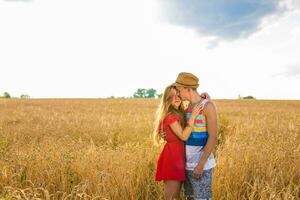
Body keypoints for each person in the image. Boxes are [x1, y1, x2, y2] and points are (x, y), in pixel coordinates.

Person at [172, 72, 218, 200]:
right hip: (186, 165)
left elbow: (213, 136)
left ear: (188, 89)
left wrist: (201, 164)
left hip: (201, 166)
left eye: (179, 89)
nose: (178, 93)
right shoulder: (187, 107)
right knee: (190, 198)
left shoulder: (207, 106)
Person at [153, 84, 203, 200]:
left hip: (178, 157)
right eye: (172, 96)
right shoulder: (170, 116)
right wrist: (193, 116)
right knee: (171, 197)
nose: (176, 98)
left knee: (176, 196)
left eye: (178, 95)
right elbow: (184, 136)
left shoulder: (179, 113)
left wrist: (204, 97)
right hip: (172, 158)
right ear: (166, 99)